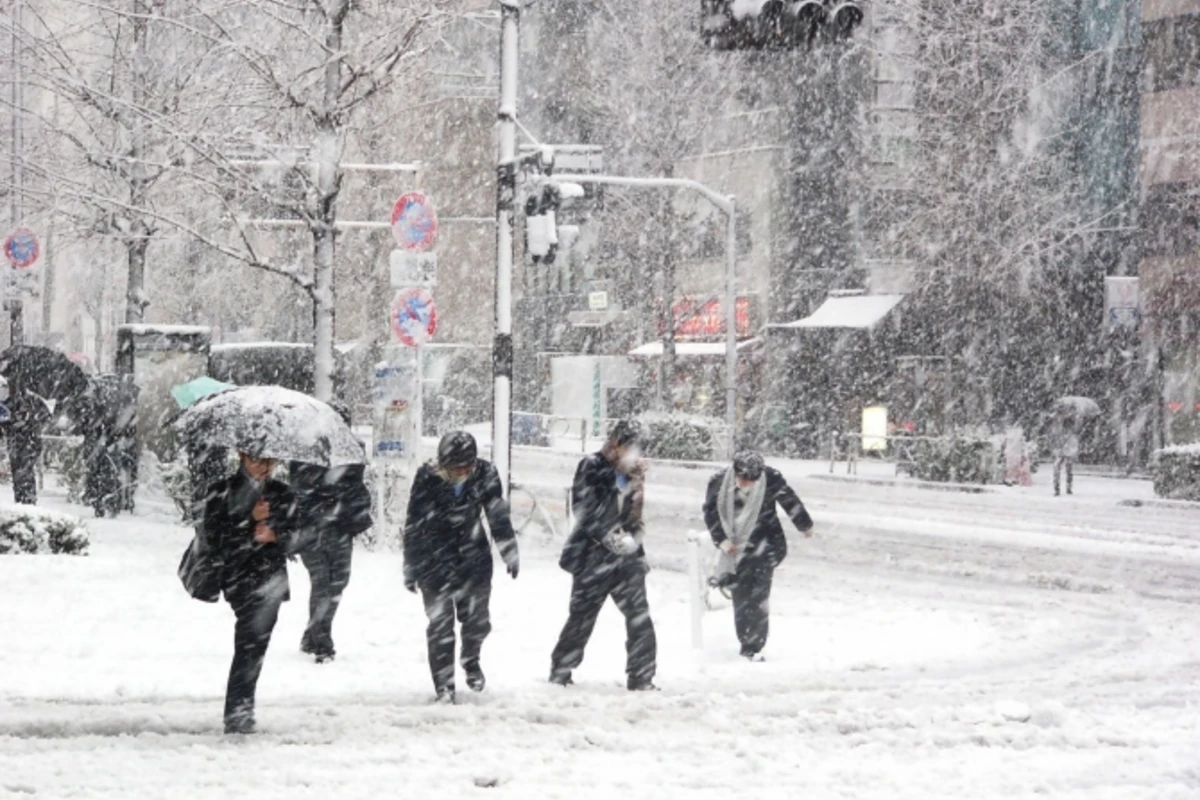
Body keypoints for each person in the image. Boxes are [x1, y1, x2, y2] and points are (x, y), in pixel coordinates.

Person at [403, 431, 519, 704]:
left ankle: (471, 658)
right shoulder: (427, 476)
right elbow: (414, 523)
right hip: (434, 560)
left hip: (473, 559)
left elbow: (497, 515)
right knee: (440, 625)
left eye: (466, 467)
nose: (460, 472)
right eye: (454, 468)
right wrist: (410, 565)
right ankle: (444, 686)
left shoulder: (486, 474)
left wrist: (509, 551)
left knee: (477, 622)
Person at [549, 419, 658, 691]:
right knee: (582, 618)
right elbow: (584, 509)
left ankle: (641, 677)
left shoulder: (635, 473)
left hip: (627, 560)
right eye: (630, 448)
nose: (635, 455)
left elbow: (634, 516)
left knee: (640, 617)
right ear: (616, 444)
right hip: (592, 557)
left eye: (639, 449)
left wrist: (635, 542)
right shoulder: (592, 466)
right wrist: (610, 537)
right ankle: (561, 671)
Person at [202, 450, 298, 734]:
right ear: (243, 457)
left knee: (254, 646)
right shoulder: (222, 492)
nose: (265, 467)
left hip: (271, 579)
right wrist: (247, 520)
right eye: (258, 460)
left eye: (271, 461)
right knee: (249, 643)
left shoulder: (282, 493)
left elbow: (300, 535)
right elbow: (214, 537)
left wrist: (276, 534)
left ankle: (240, 708)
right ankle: (238, 710)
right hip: (239, 577)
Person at [703, 451, 813, 662]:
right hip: (735, 550)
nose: (747, 484)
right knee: (741, 597)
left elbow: (789, 500)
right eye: (743, 479)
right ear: (735, 472)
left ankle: (755, 645)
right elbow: (710, 512)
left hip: (765, 545)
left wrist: (804, 525)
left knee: (759, 596)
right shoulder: (718, 483)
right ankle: (746, 642)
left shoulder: (770, 478)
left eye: (752, 480)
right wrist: (722, 540)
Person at [293, 461, 372, 663]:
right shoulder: (305, 457)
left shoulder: (350, 458)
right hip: (312, 532)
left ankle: (312, 636)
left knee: (337, 584)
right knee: (322, 583)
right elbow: (298, 494)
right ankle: (322, 643)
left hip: (341, 530)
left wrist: (344, 501)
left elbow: (359, 492)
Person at [1049, 410, 1079, 496]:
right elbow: (1074, 446)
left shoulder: (1061, 433)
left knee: (1058, 469)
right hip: (1066, 452)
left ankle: (1057, 488)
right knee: (1068, 470)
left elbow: (1056, 442)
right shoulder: (1071, 435)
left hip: (1061, 452)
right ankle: (1067, 487)